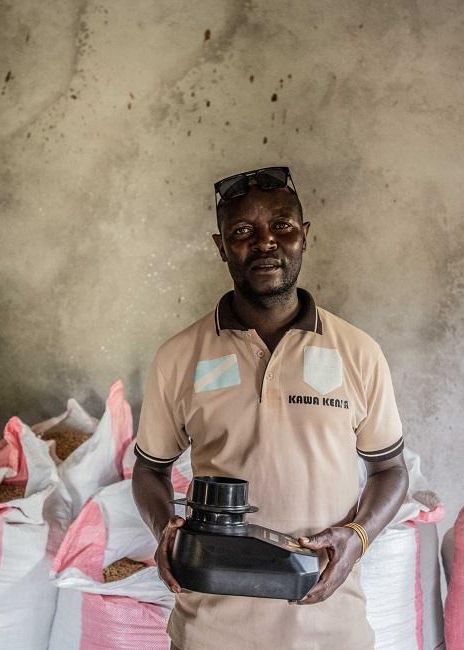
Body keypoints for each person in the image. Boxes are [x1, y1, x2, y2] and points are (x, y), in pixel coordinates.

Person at [131, 165, 409, 649]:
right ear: (221, 246)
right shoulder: (179, 356)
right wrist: (165, 532)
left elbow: (390, 469)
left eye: (281, 226)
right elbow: (149, 470)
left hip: (329, 630)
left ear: (303, 237)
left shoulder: (358, 352)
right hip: (210, 632)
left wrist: (357, 537)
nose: (265, 243)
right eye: (243, 231)